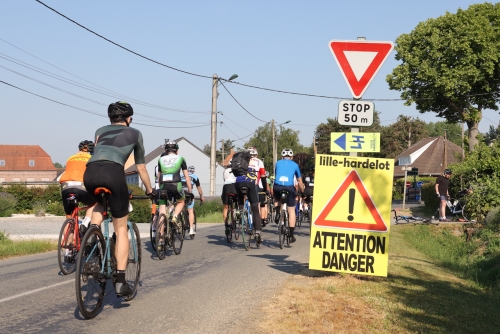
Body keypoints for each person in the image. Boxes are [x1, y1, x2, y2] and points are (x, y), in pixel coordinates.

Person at [84, 101, 155, 298]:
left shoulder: (99, 130)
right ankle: (121, 281)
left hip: (90, 172)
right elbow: (140, 168)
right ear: (129, 118)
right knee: (121, 228)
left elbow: (101, 152)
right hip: (113, 173)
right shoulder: (135, 133)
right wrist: (150, 190)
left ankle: (91, 237)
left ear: (110, 118)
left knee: (99, 203)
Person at [58, 140, 97, 256]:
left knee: (70, 216)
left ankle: (68, 251)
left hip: (66, 187)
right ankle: (86, 222)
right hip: (81, 186)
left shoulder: (71, 158)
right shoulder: (92, 159)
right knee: (94, 204)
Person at [157, 141, 193, 245]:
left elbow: (159, 178)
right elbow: (186, 177)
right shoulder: (181, 158)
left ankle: (160, 240)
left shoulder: (160, 159)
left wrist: (160, 188)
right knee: (181, 201)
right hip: (176, 185)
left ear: (165, 150)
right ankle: (175, 216)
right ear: (176, 150)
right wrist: (190, 192)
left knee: (162, 211)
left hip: (164, 185)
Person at [234, 147, 268, 244]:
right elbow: (263, 177)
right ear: (256, 155)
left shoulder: (240, 159)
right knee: (255, 208)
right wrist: (265, 189)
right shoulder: (259, 162)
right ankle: (257, 232)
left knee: (241, 197)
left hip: (238, 182)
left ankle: (239, 211)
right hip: (251, 184)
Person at [273, 148, 304, 243]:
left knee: (276, 198)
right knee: (291, 211)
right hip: (289, 188)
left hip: (278, 186)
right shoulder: (295, 165)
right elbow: (299, 181)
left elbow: (276, 175)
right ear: (291, 157)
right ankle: (291, 235)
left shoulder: (277, 163)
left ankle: (277, 211)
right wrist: (302, 191)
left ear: (282, 156)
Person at [181, 165, 204, 236]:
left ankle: (179, 217)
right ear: (193, 171)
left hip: (180, 192)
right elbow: (199, 188)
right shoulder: (195, 177)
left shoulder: (181, 175)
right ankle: (191, 229)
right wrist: (201, 196)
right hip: (188, 193)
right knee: (190, 211)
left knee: (180, 206)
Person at [221, 159, 237, 234]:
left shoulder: (225, 171)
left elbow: (224, 180)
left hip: (226, 187)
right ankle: (237, 212)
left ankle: (226, 225)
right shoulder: (237, 169)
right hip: (234, 186)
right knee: (237, 200)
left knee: (225, 207)